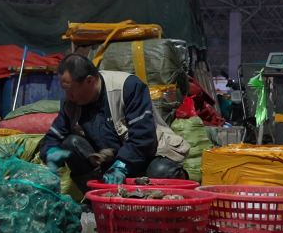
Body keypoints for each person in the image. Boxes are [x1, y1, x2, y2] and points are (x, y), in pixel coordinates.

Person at [41, 53, 189, 192]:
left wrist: (122, 165)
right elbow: (54, 135)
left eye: (70, 90)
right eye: (65, 90)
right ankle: (96, 198)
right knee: (70, 143)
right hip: (109, 165)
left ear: (89, 81)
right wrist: (49, 152)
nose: (68, 95)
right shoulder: (72, 103)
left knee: (161, 171)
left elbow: (143, 137)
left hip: (146, 156)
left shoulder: (128, 87)